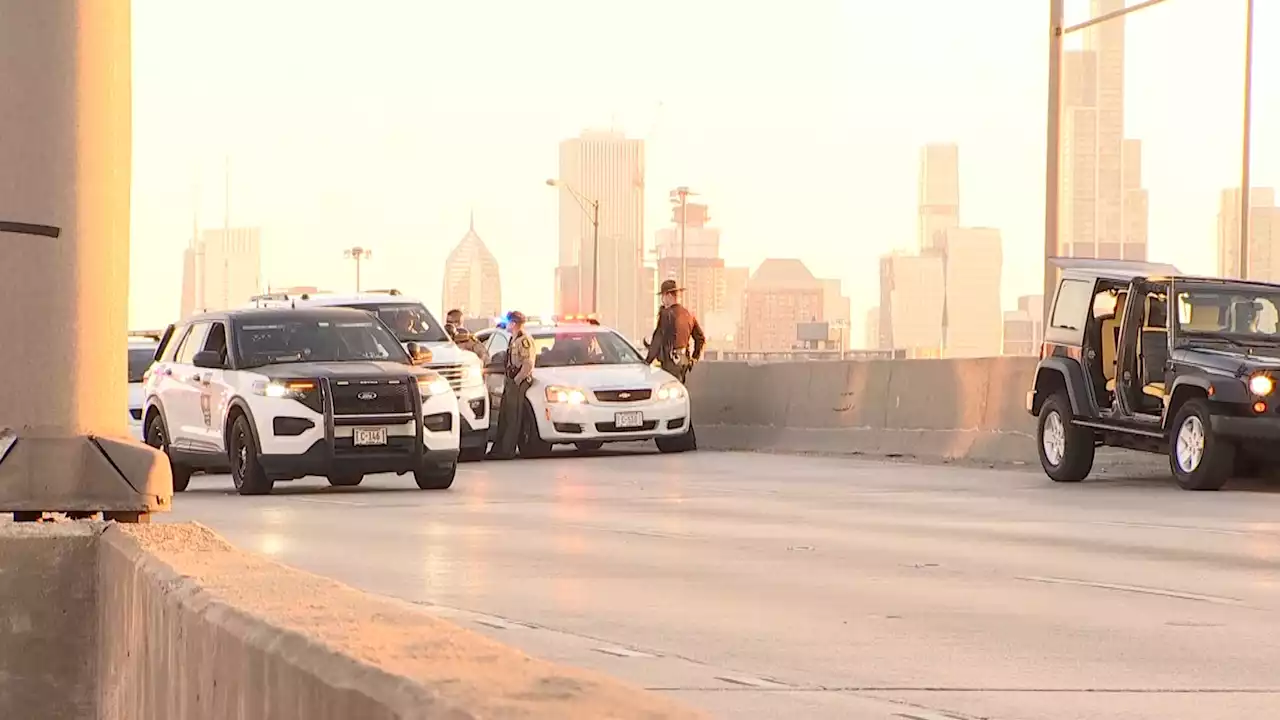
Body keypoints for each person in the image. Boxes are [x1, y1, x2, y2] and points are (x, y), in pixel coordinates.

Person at [487, 311, 535, 460]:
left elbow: (528, 364)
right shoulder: (513, 339)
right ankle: (499, 449)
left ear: (513, 323)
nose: (506, 325)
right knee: (505, 416)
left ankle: (507, 451)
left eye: (508, 322)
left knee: (513, 417)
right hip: (510, 381)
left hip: (517, 383)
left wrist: (517, 380)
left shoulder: (524, 340)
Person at [645, 279, 705, 383]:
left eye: (663, 296)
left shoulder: (666, 314)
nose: (662, 300)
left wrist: (647, 361)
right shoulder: (689, 314)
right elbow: (700, 339)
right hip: (683, 363)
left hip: (669, 364)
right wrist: (694, 358)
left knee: (666, 393)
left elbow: (657, 340)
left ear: (668, 295)